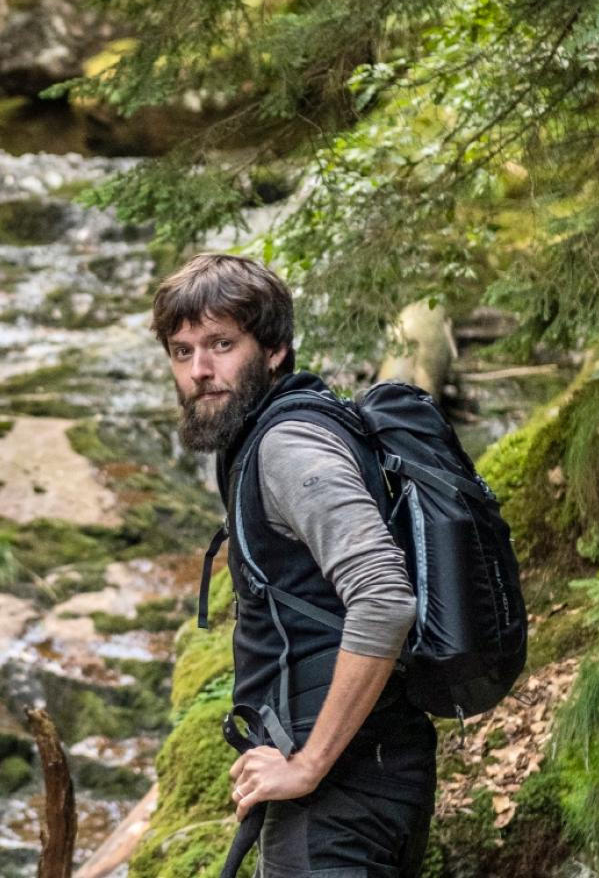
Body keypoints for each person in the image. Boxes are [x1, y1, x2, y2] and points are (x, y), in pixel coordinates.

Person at [154, 252, 436, 877]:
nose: (200, 370)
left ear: (275, 348)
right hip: (365, 773)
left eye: (221, 344)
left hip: (341, 791)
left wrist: (308, 764)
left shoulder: (287, 447)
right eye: (182, 351)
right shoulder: (275, 431)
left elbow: (384, 597)